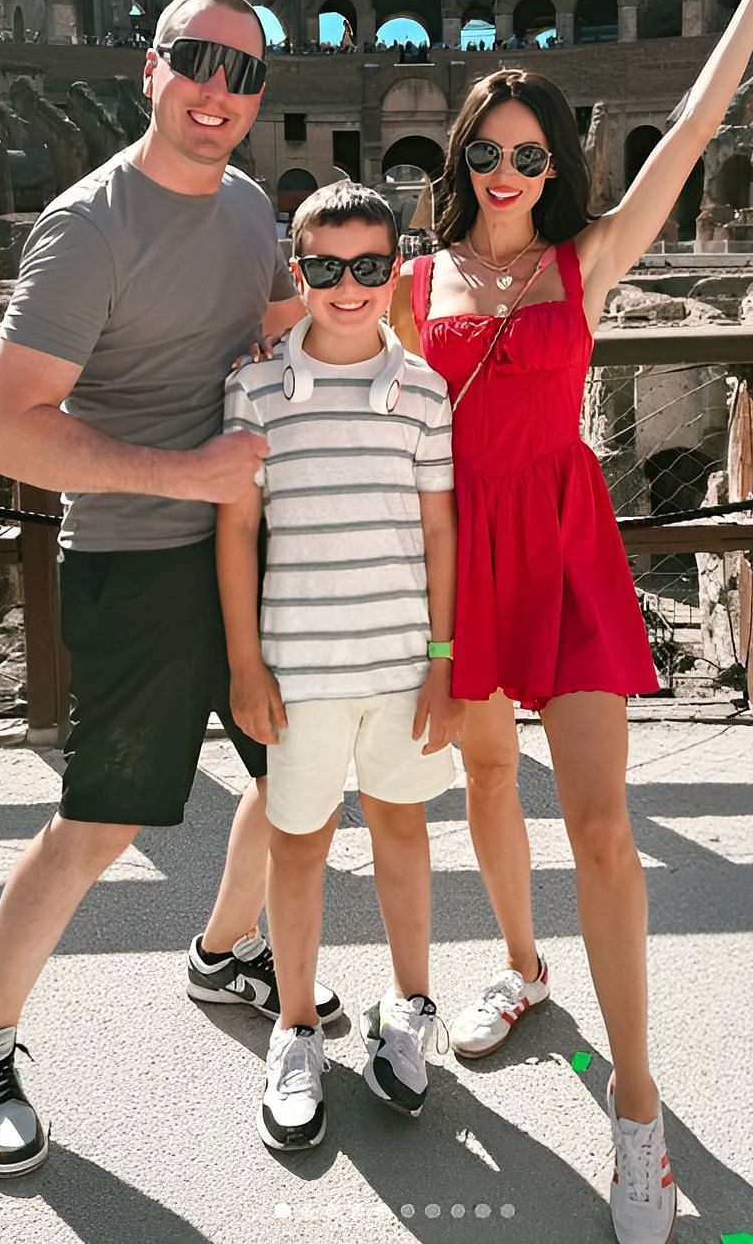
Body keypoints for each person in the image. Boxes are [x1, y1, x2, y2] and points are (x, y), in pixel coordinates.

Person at [391, 0, 753, 1243]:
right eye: (484, 153)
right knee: (487, 780)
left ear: (557, 165)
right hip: (457, 555)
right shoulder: (413, 281)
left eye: (527, 154)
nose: (503, 171)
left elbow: (698, 125)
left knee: (602, 827)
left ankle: (639, 1109)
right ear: (460, 162)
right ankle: (523, 971)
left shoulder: (586, 257)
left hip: (558, 538)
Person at [0, 0, 343, 1178]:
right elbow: (4, 434)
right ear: (151, 67)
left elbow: (283, 337)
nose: (221, 91)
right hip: (129, 560)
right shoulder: (86, 226)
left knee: (296, 775)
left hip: (251, 552)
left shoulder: (249, 209)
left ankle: (224, 950)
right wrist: (190, 469)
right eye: (200, 62)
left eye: (247, 72)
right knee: (98, 823)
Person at [218, 179, 460, 1151]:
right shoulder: (255, 387)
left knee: (401, 828)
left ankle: (408, 1008)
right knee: (299, 841)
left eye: (368, 266)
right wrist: (245, 662)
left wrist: (442, 659)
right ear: (298, 270)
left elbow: (439, 528)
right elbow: (235, 529)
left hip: (402, 658)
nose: (347, 286)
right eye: (325, 267)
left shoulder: (424, 389)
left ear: (394, 269)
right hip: (300, 662)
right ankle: (293, 1026)